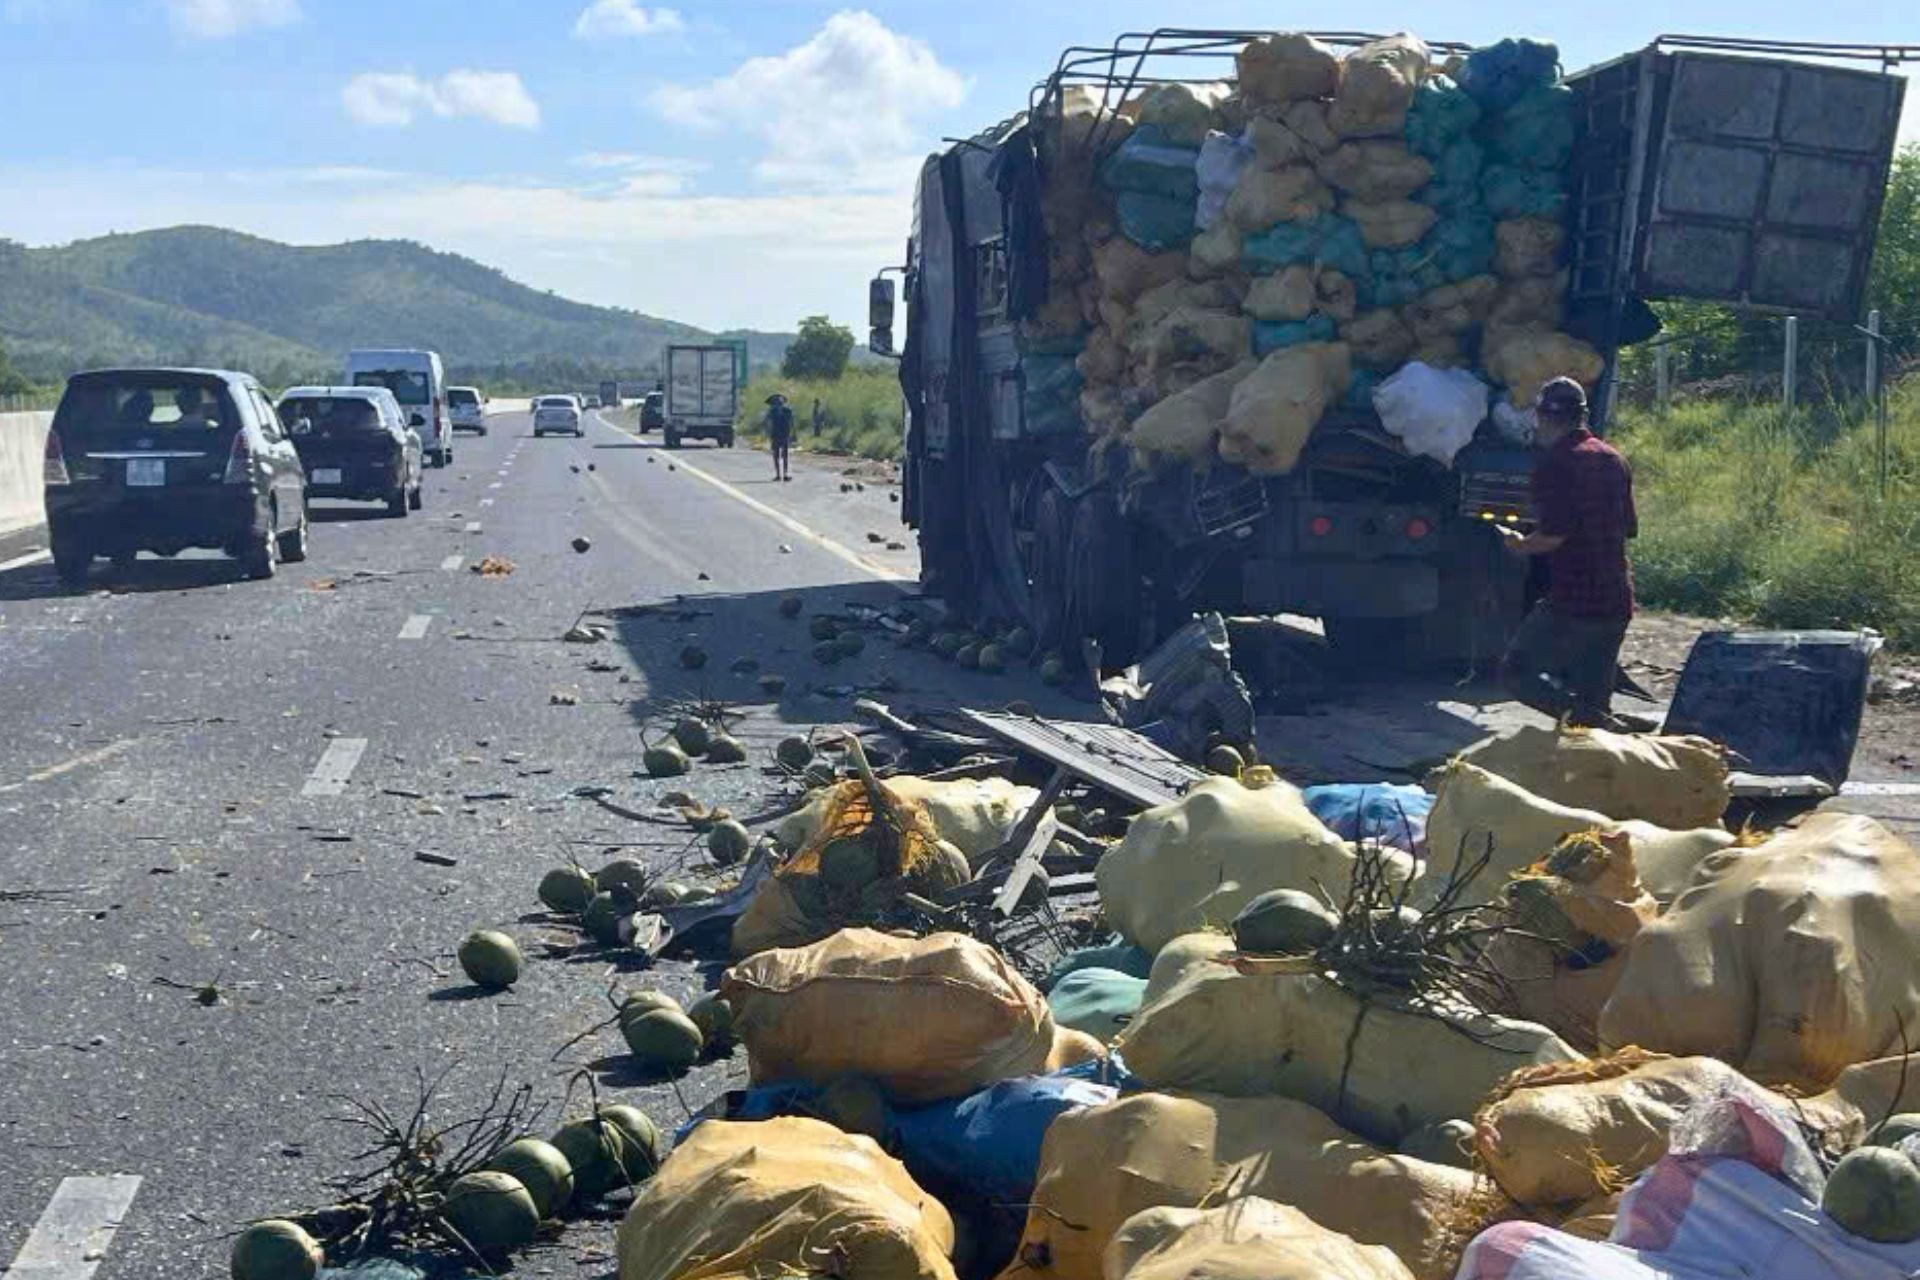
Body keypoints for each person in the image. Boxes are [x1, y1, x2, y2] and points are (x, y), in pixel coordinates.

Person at [1497, 377, 1637, 729]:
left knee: (1516, 674)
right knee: (1594, 698)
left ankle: (1600, 723)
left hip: (1574, 602)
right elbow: (1628, 528)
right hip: (1616, 600)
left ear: (1542, 417)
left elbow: (1552, 538)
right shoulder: (1613, 459)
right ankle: (1600, 736)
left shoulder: (1556, 464)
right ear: (1583, 416)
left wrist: (1519, 544)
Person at [763, 393, 795, 481]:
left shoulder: (787, 411)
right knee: (777, 455)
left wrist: (793, 434)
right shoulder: (772, 412)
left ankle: (783, 474)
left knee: (784, 455)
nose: (778, 404)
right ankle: (779, 474)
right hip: (777, 435)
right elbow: (768, 423)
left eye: (779, 403)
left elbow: (792, 423)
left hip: (783, 434)